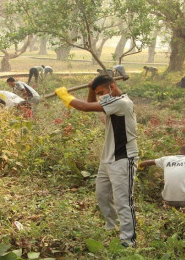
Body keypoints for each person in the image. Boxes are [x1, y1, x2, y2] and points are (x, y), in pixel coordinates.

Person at [54, 75, 138, 247]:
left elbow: (85, 107)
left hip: (123, 158)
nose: (100, 97)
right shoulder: (112, 101)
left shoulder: (122, 102)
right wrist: (90, 90)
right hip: (107, 159)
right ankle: (111, 227)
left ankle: (128, 240)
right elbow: (90, 103)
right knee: (102, 196)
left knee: (123, 200)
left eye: (101, 92)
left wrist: (65, 96)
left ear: (112, 88)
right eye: (97, 94)